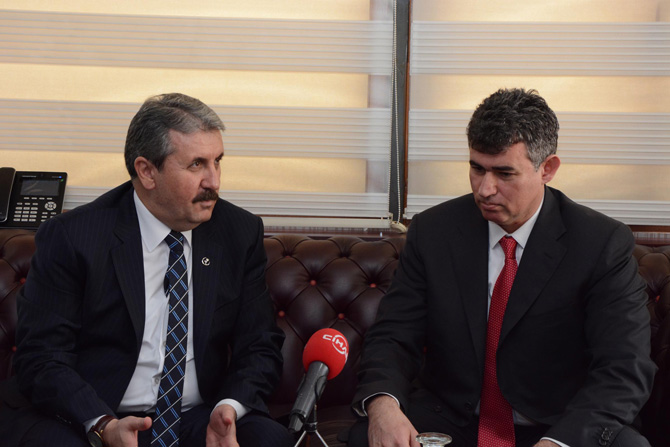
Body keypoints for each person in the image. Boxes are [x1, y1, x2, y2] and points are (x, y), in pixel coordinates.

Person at [348, 88, 656, 447]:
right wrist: (383, 406)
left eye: (504, 173)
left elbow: (624, 367)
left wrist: (560, 443)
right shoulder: (434, 232)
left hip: (556, 425)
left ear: (547, 169)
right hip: (453, 419)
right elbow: (394, 335)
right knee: (367, 438)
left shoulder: (600, 243)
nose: (485, 189)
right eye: (476, 169)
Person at [0, 93, 293, 447]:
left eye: (217, 162)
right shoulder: (73, 237)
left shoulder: (238, 232)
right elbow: (43, 357)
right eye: (196, 164)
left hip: (199, 416)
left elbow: (260, 345)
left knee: (269, 439)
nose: (214, 181)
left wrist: (228, 408)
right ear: (147, 171)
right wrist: (103, 424)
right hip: (94, 413)